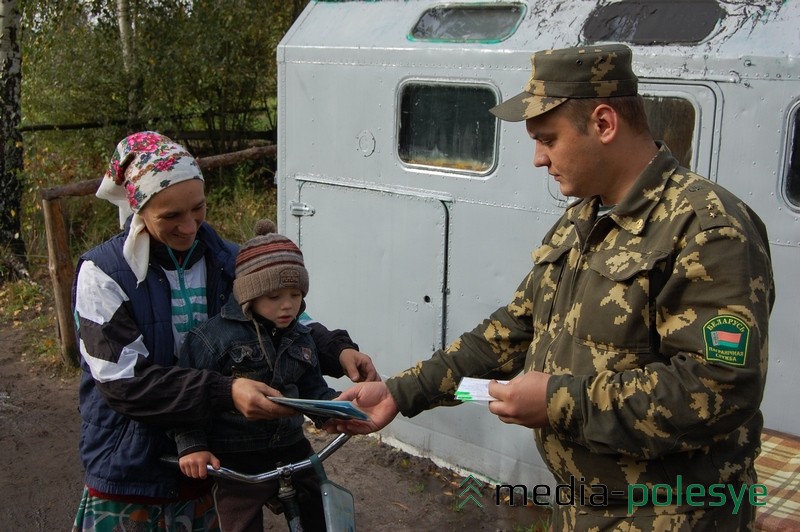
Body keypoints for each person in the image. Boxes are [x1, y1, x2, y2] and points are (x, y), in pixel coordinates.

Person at [330, 44, 774, 530]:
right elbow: (513, 331)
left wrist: (559, 401)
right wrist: (400, 392)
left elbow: (718, 389)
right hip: (586, 506)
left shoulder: (708, 230)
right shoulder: (584, 218)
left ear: (604, 124)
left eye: (548, 139)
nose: (538, 159)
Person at [71, 131, 378, 531]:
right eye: (170, 216)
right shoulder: (102, 275)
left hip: (216, 460)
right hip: (134, 463)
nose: (188, 227)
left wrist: (336, 351)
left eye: (197, 209)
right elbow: (124, 382)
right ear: (138, 208)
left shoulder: (229, 260)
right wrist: (227, 391)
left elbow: (284, 322)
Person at [174, 219, 337, 531]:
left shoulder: (301, 336)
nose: (287, 305)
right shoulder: (211, 339)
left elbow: (312, 387)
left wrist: (333, 411)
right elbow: (188, 396)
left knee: (323, 504)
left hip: (291, 444)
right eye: (274, 297)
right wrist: (192, 444)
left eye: (294, 293)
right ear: (248, 296)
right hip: (236, 452)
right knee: (239, 521)